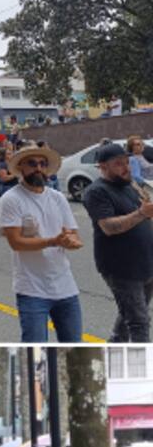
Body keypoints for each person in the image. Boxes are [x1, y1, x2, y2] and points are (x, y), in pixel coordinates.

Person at [0, 143, 84, 342]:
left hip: (65, 286)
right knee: (35, 350)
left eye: (43, 164)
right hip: (31, 289)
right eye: (32, 163)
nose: (39, 168)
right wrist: (54, 241)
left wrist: (71, 242)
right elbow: (16, 242)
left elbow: (73, 235)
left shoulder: (58, 198)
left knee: (74, 349)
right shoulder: (11, 199)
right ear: (21, 168)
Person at [83, 141, 153, 342]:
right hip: (121, 267)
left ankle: (114, 345)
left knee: (129, 314)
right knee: (139, 321)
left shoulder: (129, 185)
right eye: (119, 164)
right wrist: (141, 213)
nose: (126, 168)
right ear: (103, 166)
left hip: (145, 263)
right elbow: (108, 227)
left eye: (127, 162)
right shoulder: (97, 192)